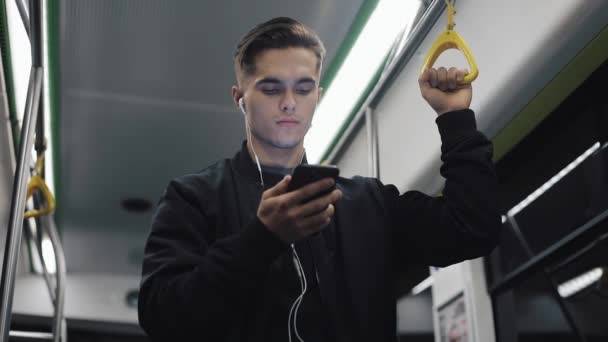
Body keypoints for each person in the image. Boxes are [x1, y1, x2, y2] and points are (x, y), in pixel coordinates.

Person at [138, 16, 500, 342]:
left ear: (318, 97)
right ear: (240, 99)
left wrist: (455, 121)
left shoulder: (367, 202)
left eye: (304, 88)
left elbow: (472, 229)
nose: (290, 103)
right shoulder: (195, 198)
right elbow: (162, 317)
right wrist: (261, 240)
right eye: (271, 88)